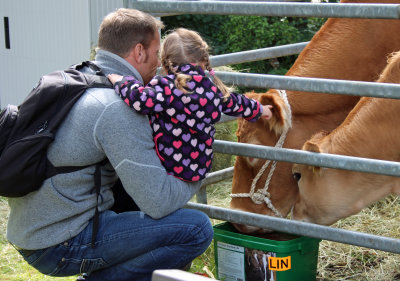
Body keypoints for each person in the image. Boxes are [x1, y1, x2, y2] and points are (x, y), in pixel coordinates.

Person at [6, 8, 213, 281]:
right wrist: (200, 166)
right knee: (196, 228)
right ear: (139, 52)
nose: (163, 65)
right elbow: (159, 204)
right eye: (157, 54)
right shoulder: (117, 108)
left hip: (34, 230)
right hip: (59, 244)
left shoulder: (78, 77)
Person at [108, 28, 273, 182]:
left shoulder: (165, 86)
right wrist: (260, 109)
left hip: (169, 166)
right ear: (203, 60)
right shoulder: (212, 88)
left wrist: (122, 80)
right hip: (200, 168)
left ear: (165, 63)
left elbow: (139, 100)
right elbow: (237, 103)